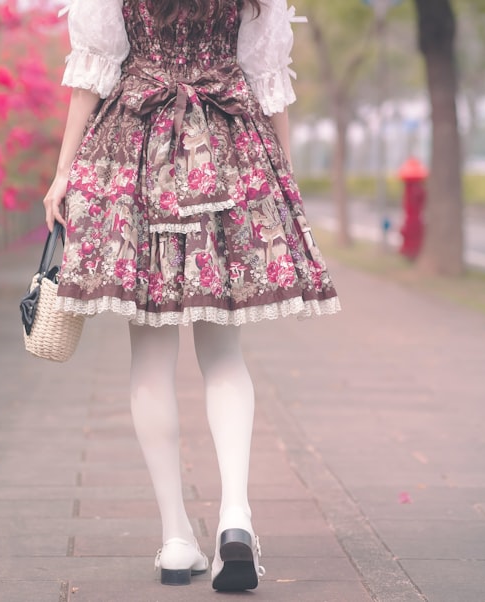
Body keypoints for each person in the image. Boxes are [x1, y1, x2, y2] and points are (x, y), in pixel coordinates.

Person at [42, 0, 340, 591]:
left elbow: (91, 74)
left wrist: (62, 174)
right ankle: (235, 516)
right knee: (224, 354)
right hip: (227, 151)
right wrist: (282, 178)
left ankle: (177, 539)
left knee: (150, 359)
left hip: (135, 152)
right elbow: (268, 85)